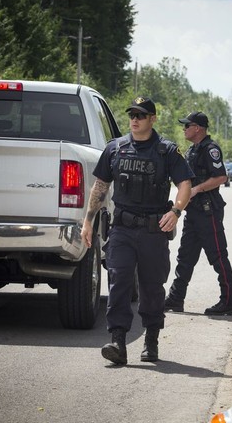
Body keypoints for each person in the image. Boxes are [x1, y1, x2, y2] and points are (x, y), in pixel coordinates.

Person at [81, 96, 193, 365]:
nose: (134, 119)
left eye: (141, 115)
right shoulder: (115, 149)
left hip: (154, 231)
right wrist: (88, 220)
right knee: (118, 280)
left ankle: (151, 339)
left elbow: (185, 184)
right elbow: (100, 187)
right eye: (132, 114)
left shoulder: (166, 151)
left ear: (153, 119)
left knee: (152, 288)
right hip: (122, 228)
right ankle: (118, 341)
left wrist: (176, 212)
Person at [164, 111, 232, 316]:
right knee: (185, 257)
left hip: (208, 212)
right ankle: (176, 298)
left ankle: (229, 301)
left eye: (187, 125)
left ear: (198, 128)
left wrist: (197, 189)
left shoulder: (210, 149)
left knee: (218, 257)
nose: (184, 129)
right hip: (193, 212)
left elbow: (221, 177)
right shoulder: (192, 150)